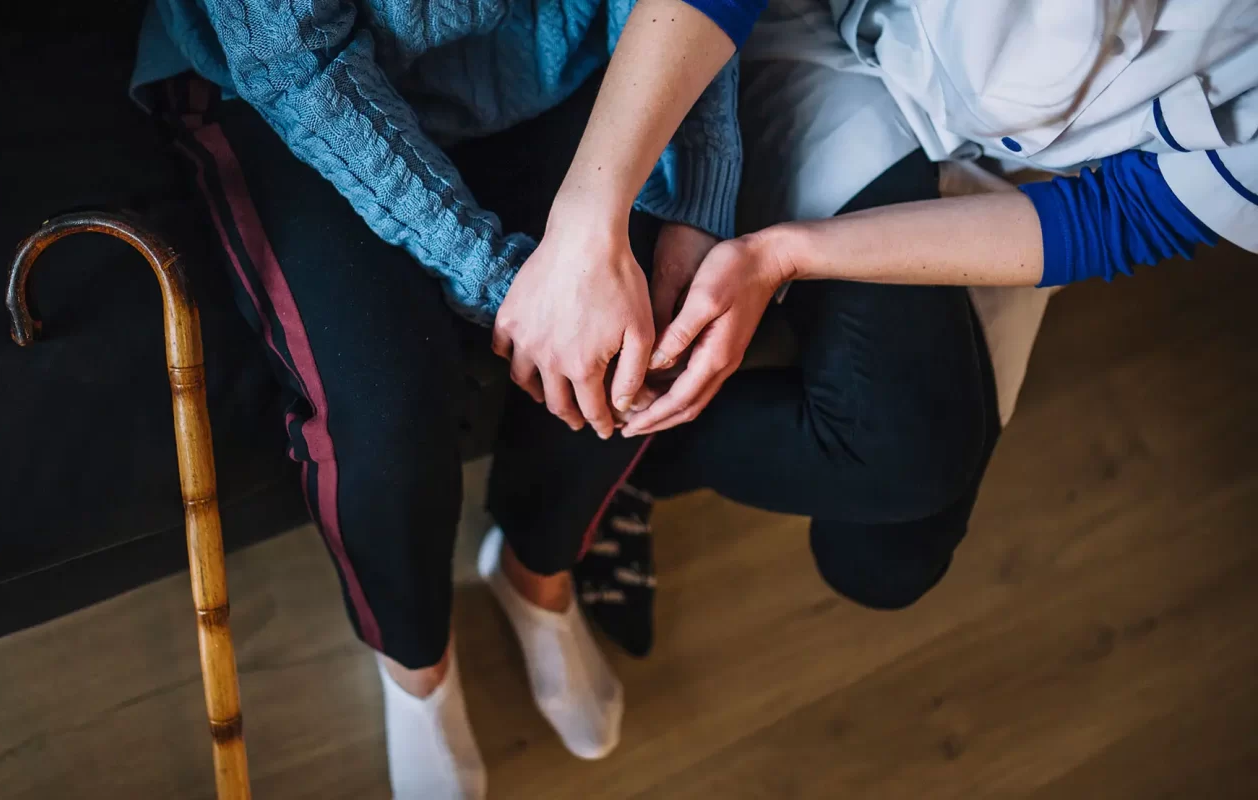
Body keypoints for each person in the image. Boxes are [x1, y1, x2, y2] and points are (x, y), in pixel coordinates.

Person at [129, 0, 770, 796]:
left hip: (560, 49)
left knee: (641, 330)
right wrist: (512, 291)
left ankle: (539, 572)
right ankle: (416, 663)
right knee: (382, 411)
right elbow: (298, 66)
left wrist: (694, 196)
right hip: (283, 86)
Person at [552, 0, 1257, 655]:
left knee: (888, 564)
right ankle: (586, 475)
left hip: (1018, 176)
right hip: (831, 43)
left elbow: (1122, 217)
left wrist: (783, 255)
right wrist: (588, 220)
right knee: (903, 456)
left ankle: (621, 465)